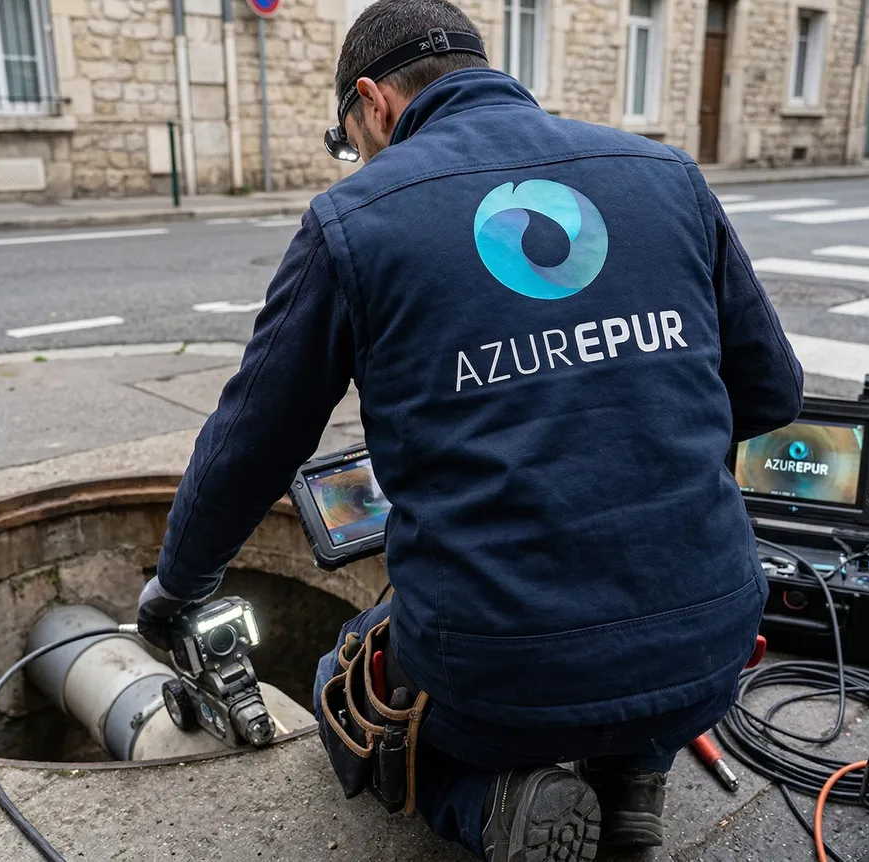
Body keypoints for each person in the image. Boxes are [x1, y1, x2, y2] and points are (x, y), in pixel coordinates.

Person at [136, 1, 804, 859]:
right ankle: (633, 777)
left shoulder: (356, 221)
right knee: (626, 618)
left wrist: (178, 587)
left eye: (350, 138)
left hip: (504, 674)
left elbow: (249, 445)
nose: (358, 158)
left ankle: (489, 803)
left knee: (342, 676)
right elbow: (772, 390)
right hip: (711, 645)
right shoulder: (666, 173)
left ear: (373, 104)